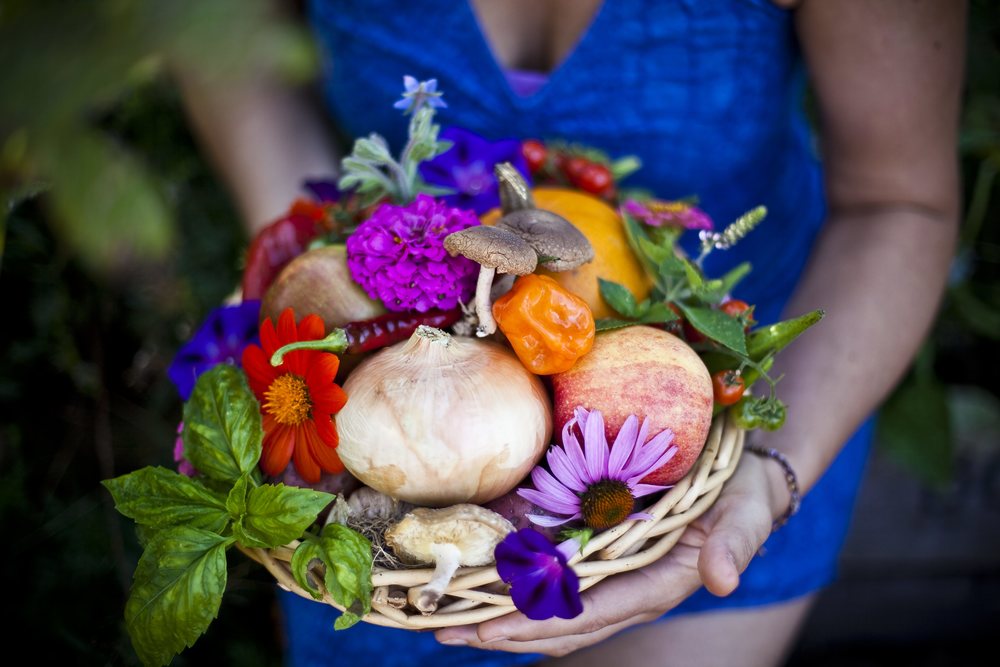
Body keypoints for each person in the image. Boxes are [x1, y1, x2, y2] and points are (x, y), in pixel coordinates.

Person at [179, 1, 966, 665]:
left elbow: (898, 201)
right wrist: (311, 266)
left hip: (754, 416)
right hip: (368, 453)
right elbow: (217, 33)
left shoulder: (745, 440)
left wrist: (769, 467)